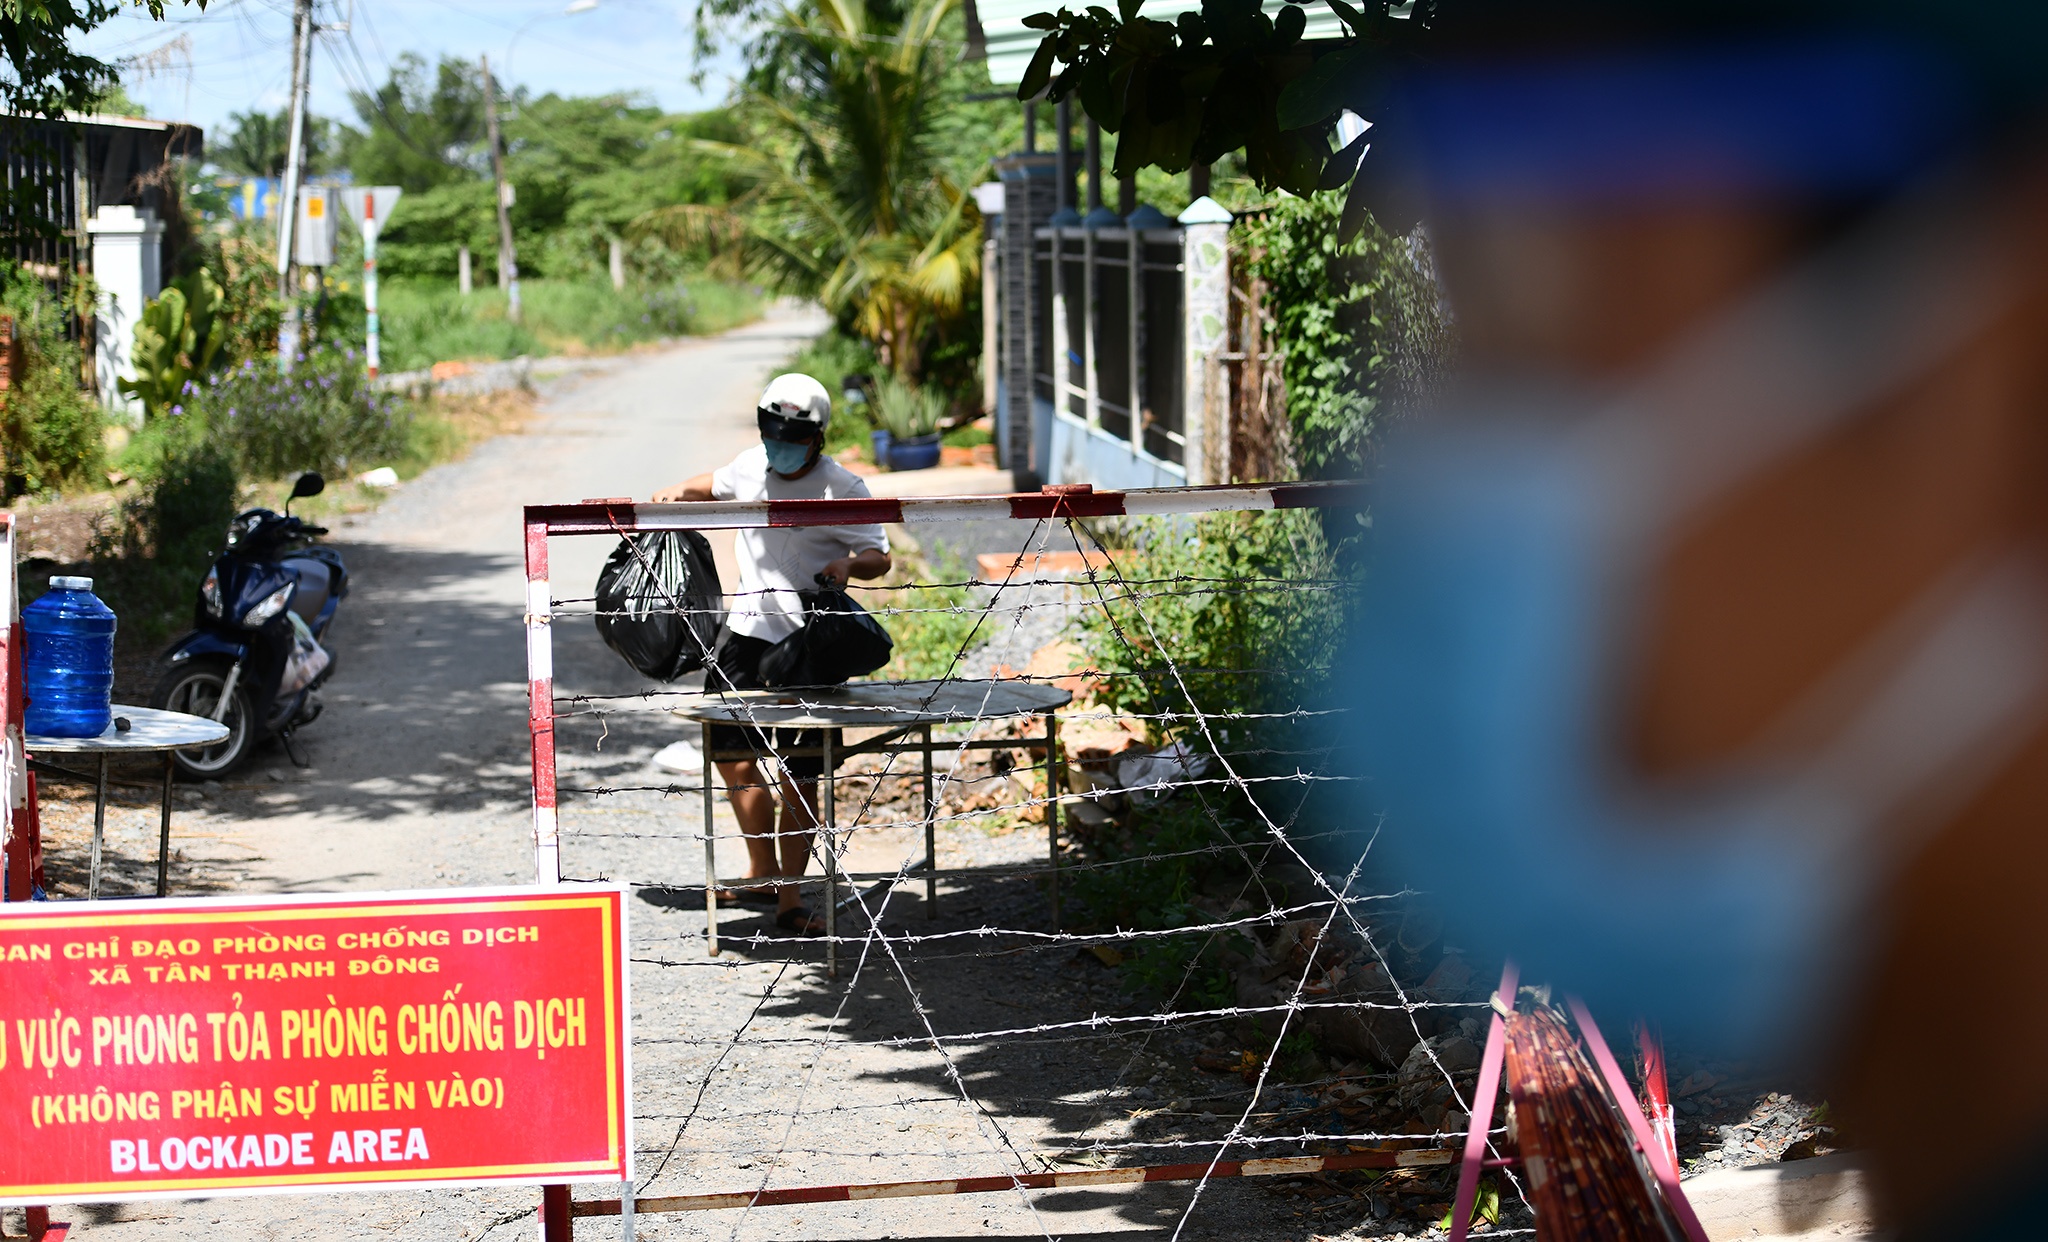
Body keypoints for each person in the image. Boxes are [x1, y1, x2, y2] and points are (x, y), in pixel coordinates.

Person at [654, 373, 891, 936]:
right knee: (730, 753)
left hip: (810, 646)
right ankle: (762, 867)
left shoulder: (844, 489)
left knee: (801, 776)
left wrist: (846, 568)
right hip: (744, 635)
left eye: (793, 437)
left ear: (817, 438)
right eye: (773, 434)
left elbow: (877, 556)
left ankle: (791, 898)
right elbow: (707, 485)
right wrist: (668, 497)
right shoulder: (750, 467)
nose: (781, 446)